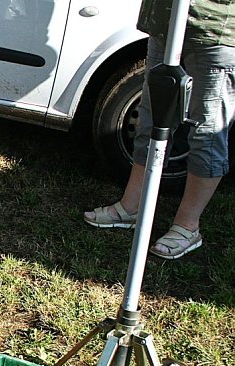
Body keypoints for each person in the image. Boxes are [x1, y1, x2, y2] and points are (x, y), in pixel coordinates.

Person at [84, 0, 235, 259]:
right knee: (150, 121)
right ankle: (131, 207)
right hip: (165, 23)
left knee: (206, 133)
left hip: (214, 30)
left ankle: (187, 226)